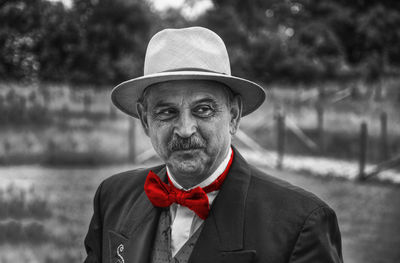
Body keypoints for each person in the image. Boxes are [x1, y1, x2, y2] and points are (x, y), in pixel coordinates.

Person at [84, 27, 343, 263]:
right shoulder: (112, 197)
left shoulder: (302, 223)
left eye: (203, 109)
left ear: (233, 115)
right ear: (144, 119)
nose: (185, 130)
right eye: (166, 112)